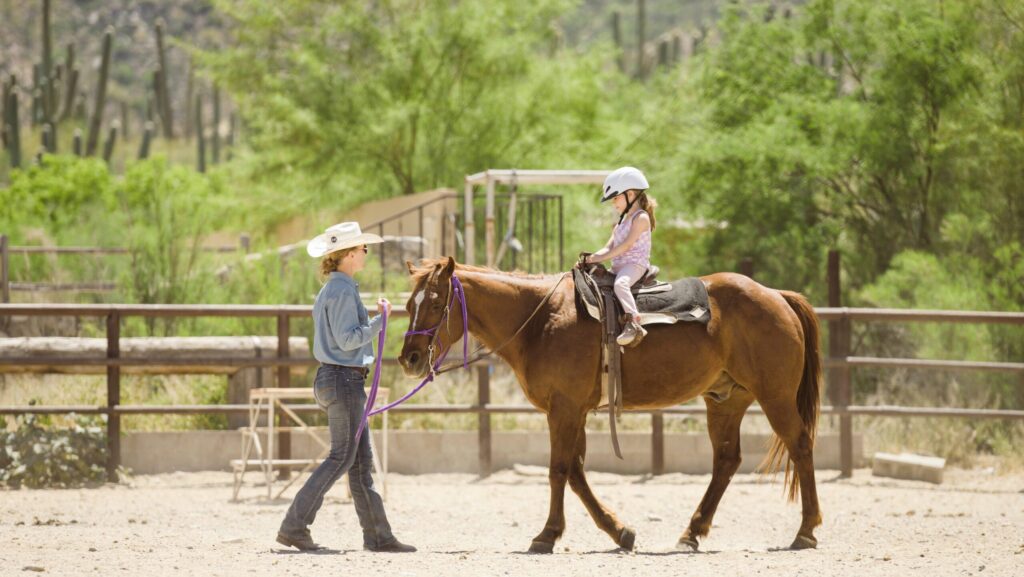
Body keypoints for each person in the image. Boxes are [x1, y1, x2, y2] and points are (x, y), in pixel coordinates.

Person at [276, 222, 416, 553]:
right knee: (343, 457)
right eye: (363, 249)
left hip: (340, 380)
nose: (367, 254)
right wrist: (380, 320)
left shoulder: (338, 289)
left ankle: (378, 536)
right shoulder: (341, 291)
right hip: (344, 380)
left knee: (358, 461)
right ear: (350, 254)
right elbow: (348, 338)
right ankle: (294, 526)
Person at [583, 166, 658, 347]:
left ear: (630, 194)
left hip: (634, 264)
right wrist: (590, 258)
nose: (613, 202)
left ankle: (634, 322)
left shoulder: (641, 218)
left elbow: (626, 246)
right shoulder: (620, 223)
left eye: (615, 197)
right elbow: (607, 248)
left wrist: (599, 259)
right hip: (618, 265)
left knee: (620, 284)